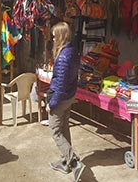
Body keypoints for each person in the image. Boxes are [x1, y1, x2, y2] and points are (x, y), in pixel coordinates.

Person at [46, 21, 85, 182]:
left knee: (55, 131)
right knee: (64, 128)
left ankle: (74, 162)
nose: (53, 40)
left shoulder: (63, 57)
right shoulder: (72, 52)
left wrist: (51, 104)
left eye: (55, 37)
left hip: (60, 98)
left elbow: (60, 85)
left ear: (61, 36)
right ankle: (65, 161)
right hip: (69, 97)